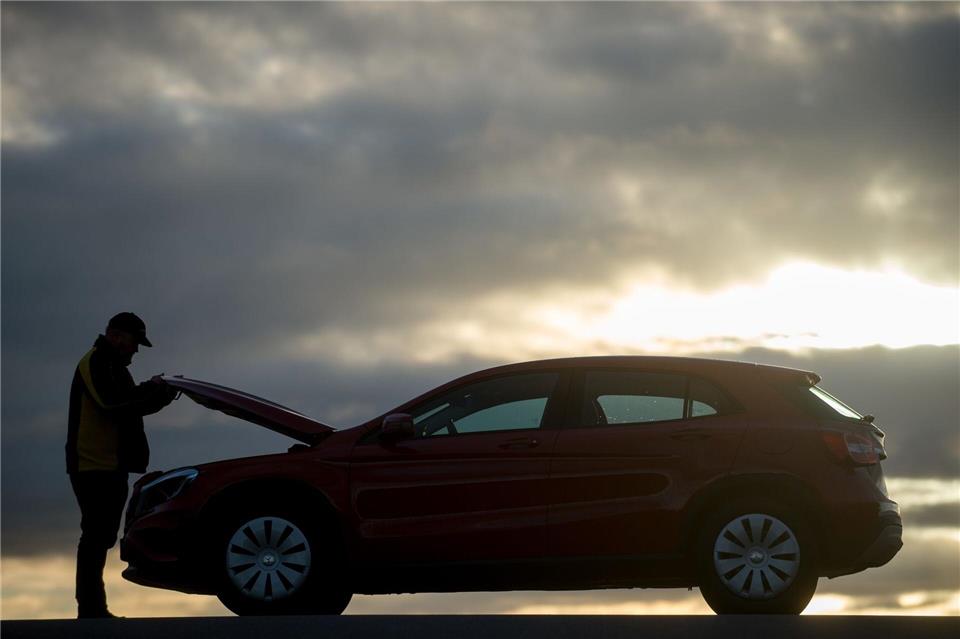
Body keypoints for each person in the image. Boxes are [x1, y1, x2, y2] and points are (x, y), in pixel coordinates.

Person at [65, 312, 177, 618]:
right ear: (115, 336)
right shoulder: (96, 362)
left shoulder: (112, 366)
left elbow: (130, 402)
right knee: (95, 535)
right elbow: (114, 404)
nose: (135, 350)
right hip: (91, 464)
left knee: (101, 535)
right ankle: (91, 609)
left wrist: (160, 392)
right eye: (134, 342)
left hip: (111, 465)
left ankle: (92, 608)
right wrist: (157, 392)